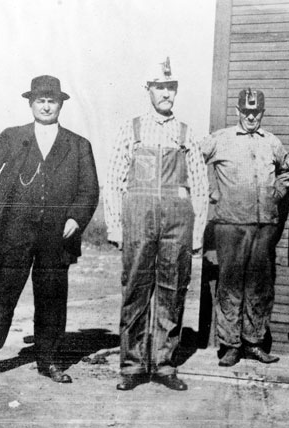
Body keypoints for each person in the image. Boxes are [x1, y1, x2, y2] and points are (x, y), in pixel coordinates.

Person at [0, 75, 99, 383]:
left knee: (52, 298)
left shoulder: (78, 145)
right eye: (41, 100)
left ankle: (50, 361)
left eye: (52, 101)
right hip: (16, 232)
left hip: (57, 235)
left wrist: (75, 219)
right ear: (30, 104)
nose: (47, 106)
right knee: (1, 297)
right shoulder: (13, 137)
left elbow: (89, 189)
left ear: (61, 104)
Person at [104, 58, 208, 391]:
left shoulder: (186, 134)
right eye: (160, 87)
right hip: (138, 223)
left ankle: (164, 364)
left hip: (177, 226)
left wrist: (197, 232)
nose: (166, 94)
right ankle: (132, 365)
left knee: (172, 292)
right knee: (135, 292)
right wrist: (116, 227)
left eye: (170, 88)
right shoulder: (130, 129)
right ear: (148, 89)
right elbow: (114, 179)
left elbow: (201, 186)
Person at [202, 89, 289, 367]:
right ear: (238, 112)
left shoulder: (272, 142)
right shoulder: (221, 139)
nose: (251, 116)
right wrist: (212, 190)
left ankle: (253, 343)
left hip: (264, 226)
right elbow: (193, 160)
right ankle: (230, 345)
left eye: (256, 112)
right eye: (246, 111)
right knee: (230, 287)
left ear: (262, 113)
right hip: (230, 226)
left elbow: (288, 170)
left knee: (259, 288)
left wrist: (277, 192)